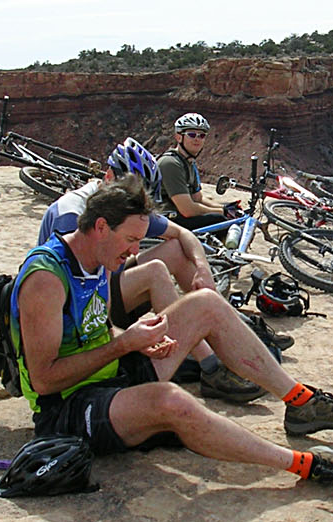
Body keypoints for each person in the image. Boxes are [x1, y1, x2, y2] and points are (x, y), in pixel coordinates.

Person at [11, 178, 333, 489]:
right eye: (130, 240)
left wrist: (140, 339)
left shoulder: (99, 259)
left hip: (108, 375)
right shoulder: (47, 277)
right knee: (172, 401)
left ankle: (301, 402)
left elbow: (96, 329)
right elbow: (45, 380)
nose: (134, 252)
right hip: (67, 407)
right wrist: (127, 343)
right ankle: (312, 466)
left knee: (205, 302)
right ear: (100, 227)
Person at [38, 138, 261, 403]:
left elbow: (182, 234)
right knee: (155, 270)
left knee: (175, 249)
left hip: (105, 286)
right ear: (109, 177)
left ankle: (225, 323)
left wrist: (203, 271)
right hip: (81, 307)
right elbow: (77, 288)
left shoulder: (122, 204)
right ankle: (211, 368)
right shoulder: (72, 213)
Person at [157, 112, 236, 230]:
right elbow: (188, 210)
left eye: (202, 135)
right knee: (220, 221)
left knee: (229, 219)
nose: (197, 139)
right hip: (166, 220)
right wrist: (222, 212)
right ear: (179, 137)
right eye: (192, 134)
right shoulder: (170, 163)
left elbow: (197, 198)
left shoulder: (188, 163)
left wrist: (226, 208)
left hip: (178, 216)